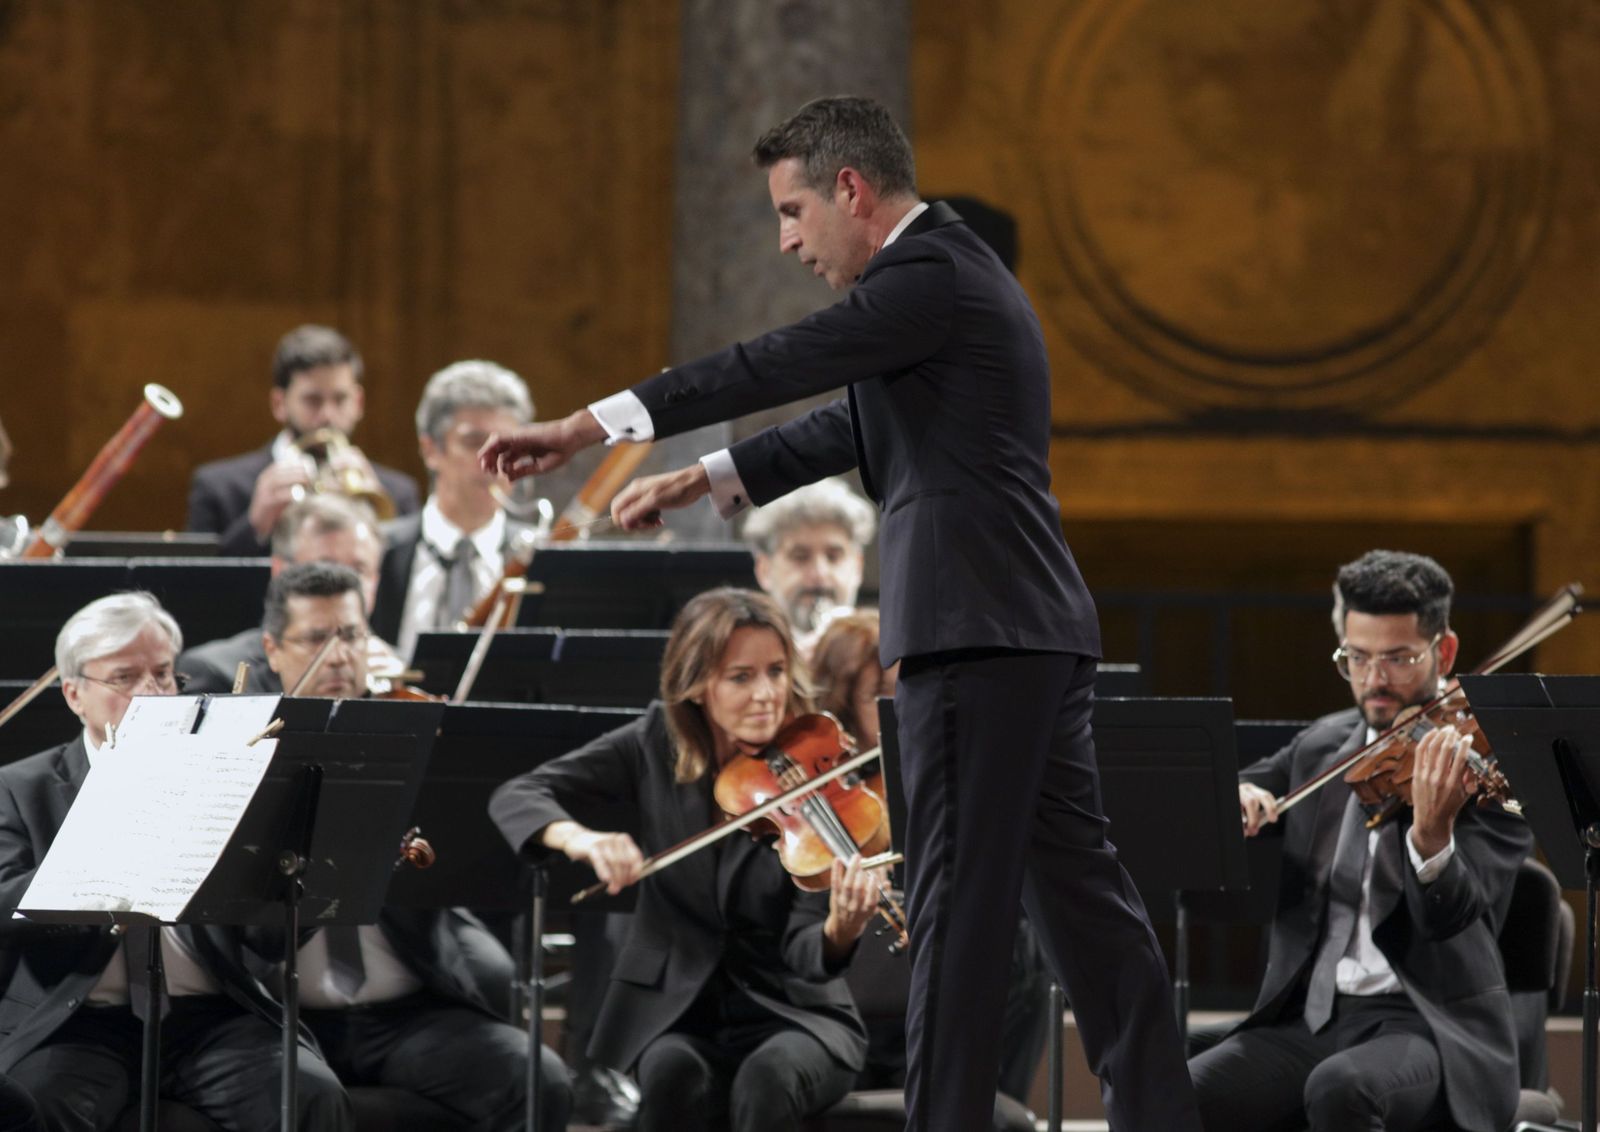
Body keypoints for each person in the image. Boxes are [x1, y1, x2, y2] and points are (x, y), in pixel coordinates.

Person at [478, 96, 1198, 1132]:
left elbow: (770, 363)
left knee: (955, 903)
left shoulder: (926, 275)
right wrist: (707, 477)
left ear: (851, 191)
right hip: (1029, 627)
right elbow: (846, 420)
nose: (786, 241)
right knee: (1085, 903)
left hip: (970, 628)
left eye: (791, 211)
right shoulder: (947, 284)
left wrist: (588, 428)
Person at [490, 587, 883, 1132]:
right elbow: (520, 794)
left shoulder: (810, 773)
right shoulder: (656, 742)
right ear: (697, 684)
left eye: (775, 671)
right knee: (672, 1075)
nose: (766, 693)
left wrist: (842, 929)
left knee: (766, 1080)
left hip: (795, 1013)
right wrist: (582, 840)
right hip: (675, 1009)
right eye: (740, 677)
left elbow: (805, 951)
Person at [1190, 550, 1533, 1132]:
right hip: (1309, 1019)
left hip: (1425, 1024)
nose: (1375, 680)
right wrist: (1241, 795)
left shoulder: (1487, 767)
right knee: (1179, 1092)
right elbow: (1242, 786)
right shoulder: (1323, 746)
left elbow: (1458, 914)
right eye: (1358, 657)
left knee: (1341, 1090)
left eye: (1397, 659)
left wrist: (1431, 838)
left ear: (1443, 652)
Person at [0, 592, 351, 1131]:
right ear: (74, 694)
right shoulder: (19, 788)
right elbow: (5, 905)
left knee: (311, 1095)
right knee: (34, 1107)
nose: (151, 693)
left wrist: (289, 876)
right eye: (124, 677)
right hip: (78, 1021)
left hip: (210, 1015)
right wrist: (102, 853)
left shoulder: (221, 775)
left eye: (163, 674)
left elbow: (262, 940)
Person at [259, 562, 572, 1130]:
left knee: (537, 1078)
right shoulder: (241, 752)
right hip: (280, 1017)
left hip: (407, 1012)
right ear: (273, 650)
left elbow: (473, 869)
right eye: (314, 639)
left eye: (350, 635)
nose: (337, 656)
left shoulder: (417, 738)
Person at [187, 324, 419, 556]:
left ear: (358, 403)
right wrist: (254, 524)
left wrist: (381, 523)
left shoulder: (397, 493)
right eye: (313, 400)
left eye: (340, 399)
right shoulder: (219, 488)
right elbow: (193, 586)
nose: (328, 415)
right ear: (279, 404)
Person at [369, 359, 543, 660]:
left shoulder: (539, 559)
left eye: (508, 445)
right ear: (430, 450)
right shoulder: (375, 550)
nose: (494, 462)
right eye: (474, 442)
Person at [179, 494, 385, 694]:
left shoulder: (397, 666)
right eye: (323, 566)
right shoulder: (216, 674)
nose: (341, 580)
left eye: (359, 570)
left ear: (375, 580)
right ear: (280, 571)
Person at [742, 477, 876, 656]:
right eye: (800, 557)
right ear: (764, 570)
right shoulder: (742, 654)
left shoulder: (886, 649)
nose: (820, 574)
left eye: (833, 557)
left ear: (858, 567)